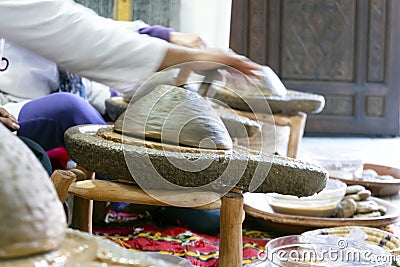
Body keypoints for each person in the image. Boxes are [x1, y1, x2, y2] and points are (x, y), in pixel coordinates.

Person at [0, 0, 261, 234]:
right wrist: (187, 58)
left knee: (122, 107)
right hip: (10, 105)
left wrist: (167, 36)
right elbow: (67, 28)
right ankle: (146, 195)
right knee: (68, 109)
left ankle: (165, 188)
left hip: (47, 90)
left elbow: (85, 24)